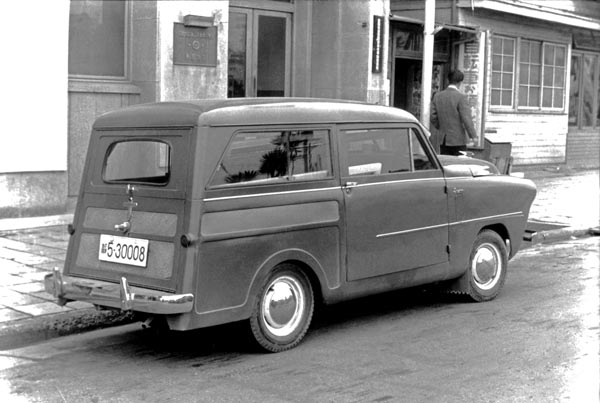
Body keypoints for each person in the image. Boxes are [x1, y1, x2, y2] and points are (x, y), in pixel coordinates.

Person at [430, 70, 478, 156]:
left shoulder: (437, 96)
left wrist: (441, 127)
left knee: (447, 164)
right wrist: (473, 136)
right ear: (460, 82)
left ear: (449, 80)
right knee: (459, 165)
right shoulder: (461, 97)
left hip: (443, 139)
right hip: (458, 140)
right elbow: (467, 119)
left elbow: (433, 116)